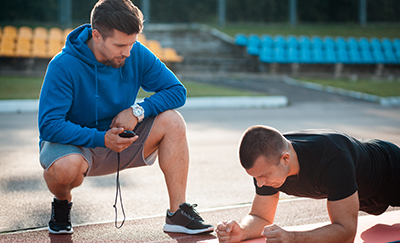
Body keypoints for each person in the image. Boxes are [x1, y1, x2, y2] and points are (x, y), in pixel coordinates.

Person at [38, 0, 213, 235]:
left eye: (132, 43)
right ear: (97, 36)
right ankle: (62, 202)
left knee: (173, 120)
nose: (128, 52)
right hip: (75, 146)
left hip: (121, 142)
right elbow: (49, 126)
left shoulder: (134, 53)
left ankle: (178, 212)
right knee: (66, 169)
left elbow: (177, 91)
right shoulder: (63, 65)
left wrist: (137, 111)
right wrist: (101, 139)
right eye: (120, 45)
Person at [216, 125, 400, 243]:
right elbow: (261, 217)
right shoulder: (266, 161)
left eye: (263, 176)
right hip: (363, 194)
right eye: (255, 177)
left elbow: (346, 232)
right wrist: (243, 231)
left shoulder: (331, 158)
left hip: (391, 170)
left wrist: (293, 238)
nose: (260, 183)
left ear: (285, 159)